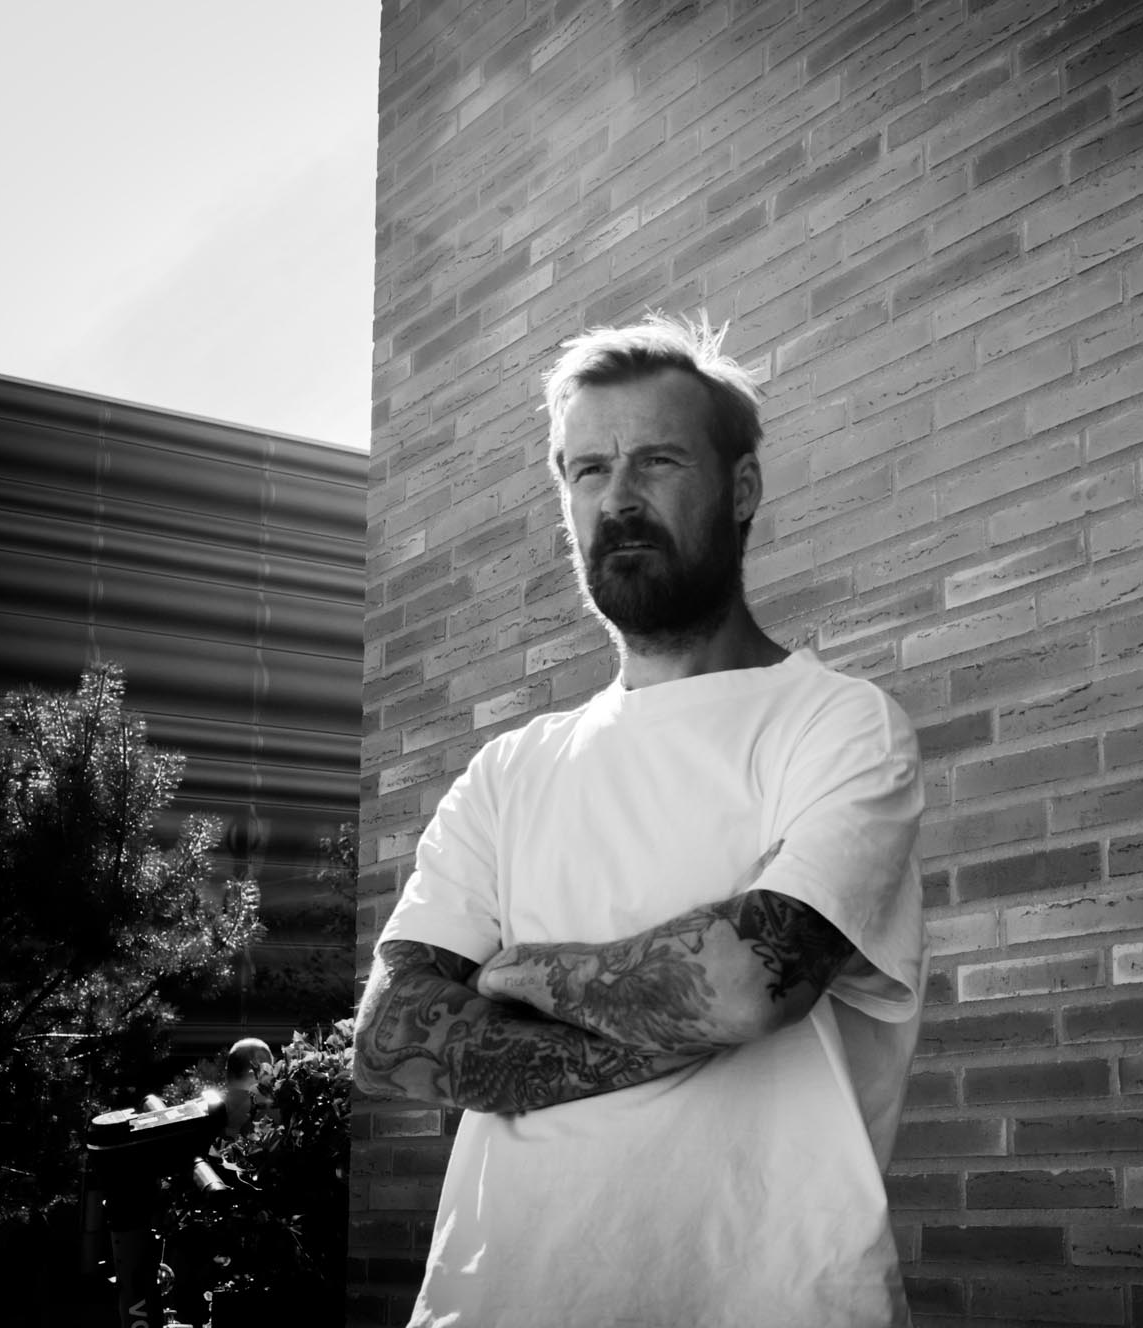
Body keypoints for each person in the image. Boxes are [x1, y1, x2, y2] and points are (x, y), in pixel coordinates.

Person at [352, 313, 926, 1327]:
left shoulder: (839, 724)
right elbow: (394, 1033)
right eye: (586, 470)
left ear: (740, 487)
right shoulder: (508, 769)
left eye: (655, 461)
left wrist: (518, 979)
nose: (616, 498)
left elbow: (746, 981)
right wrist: (667, 1001)